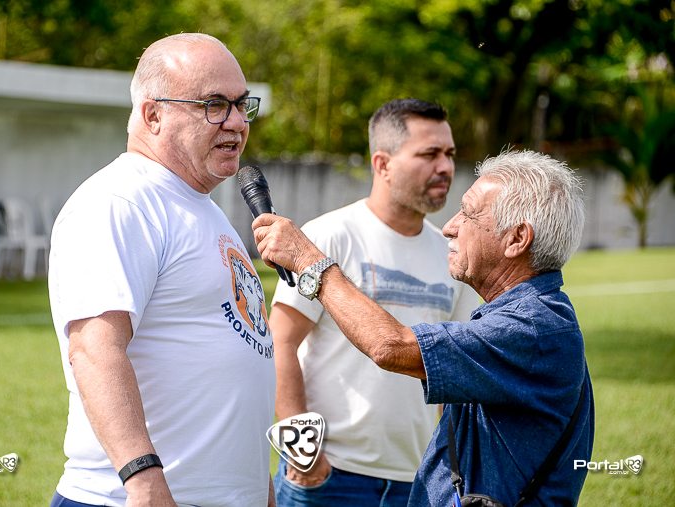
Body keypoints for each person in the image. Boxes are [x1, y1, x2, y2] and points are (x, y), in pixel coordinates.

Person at [253, 149, 594, 505]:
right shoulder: (529, 318)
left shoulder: (532, 328)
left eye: (469, 213)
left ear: (517, 239)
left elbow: (391, 347)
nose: (450, 226)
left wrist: (309, 261)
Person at [48, 34, 275, 507]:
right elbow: (94, 350)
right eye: (214, 105)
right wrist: (143, 479)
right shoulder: (120, 201)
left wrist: (259, 488)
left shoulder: (202, 208)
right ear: (152, 115)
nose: (237, 121)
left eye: (241, 104)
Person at [269, 99, 480, 506]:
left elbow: (453, 372)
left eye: (450, 154)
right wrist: (304, 456)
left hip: (418, 481)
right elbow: (280, 341)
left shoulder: (451, 254)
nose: (445, 167)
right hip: (328, 478)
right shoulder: (328, 237)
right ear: (382, 164)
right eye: (429, 154)